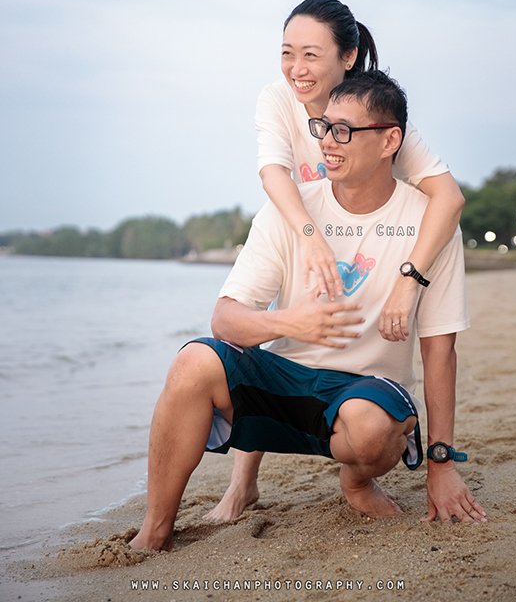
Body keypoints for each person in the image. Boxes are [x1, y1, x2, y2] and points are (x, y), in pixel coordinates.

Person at [129, 70, 485, 552]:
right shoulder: (289, 210)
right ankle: (155, 532)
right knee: (194, 361)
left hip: (367, 394)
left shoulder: (428, 223)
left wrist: (441, 464)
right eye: (324, 128)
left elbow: (441, 347)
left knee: (372, 428)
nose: (328, 143)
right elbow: (225, 319)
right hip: (286, 384)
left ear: (390, 141)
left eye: (344, 131)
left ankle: (356, 482)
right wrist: (287, 323)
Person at [205, 0, 466, 522]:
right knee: (275, 333)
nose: (297, 69)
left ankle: (358, 473)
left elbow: (449, 197)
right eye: (287, 53)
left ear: (347, 58)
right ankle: (242, 483)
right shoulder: (277, 99)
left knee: (355, 373)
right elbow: (273, 172)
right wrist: (310, 237)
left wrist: (409, 278)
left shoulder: (371, 113)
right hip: (301, 226)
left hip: (368, 231)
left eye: (311, 55)